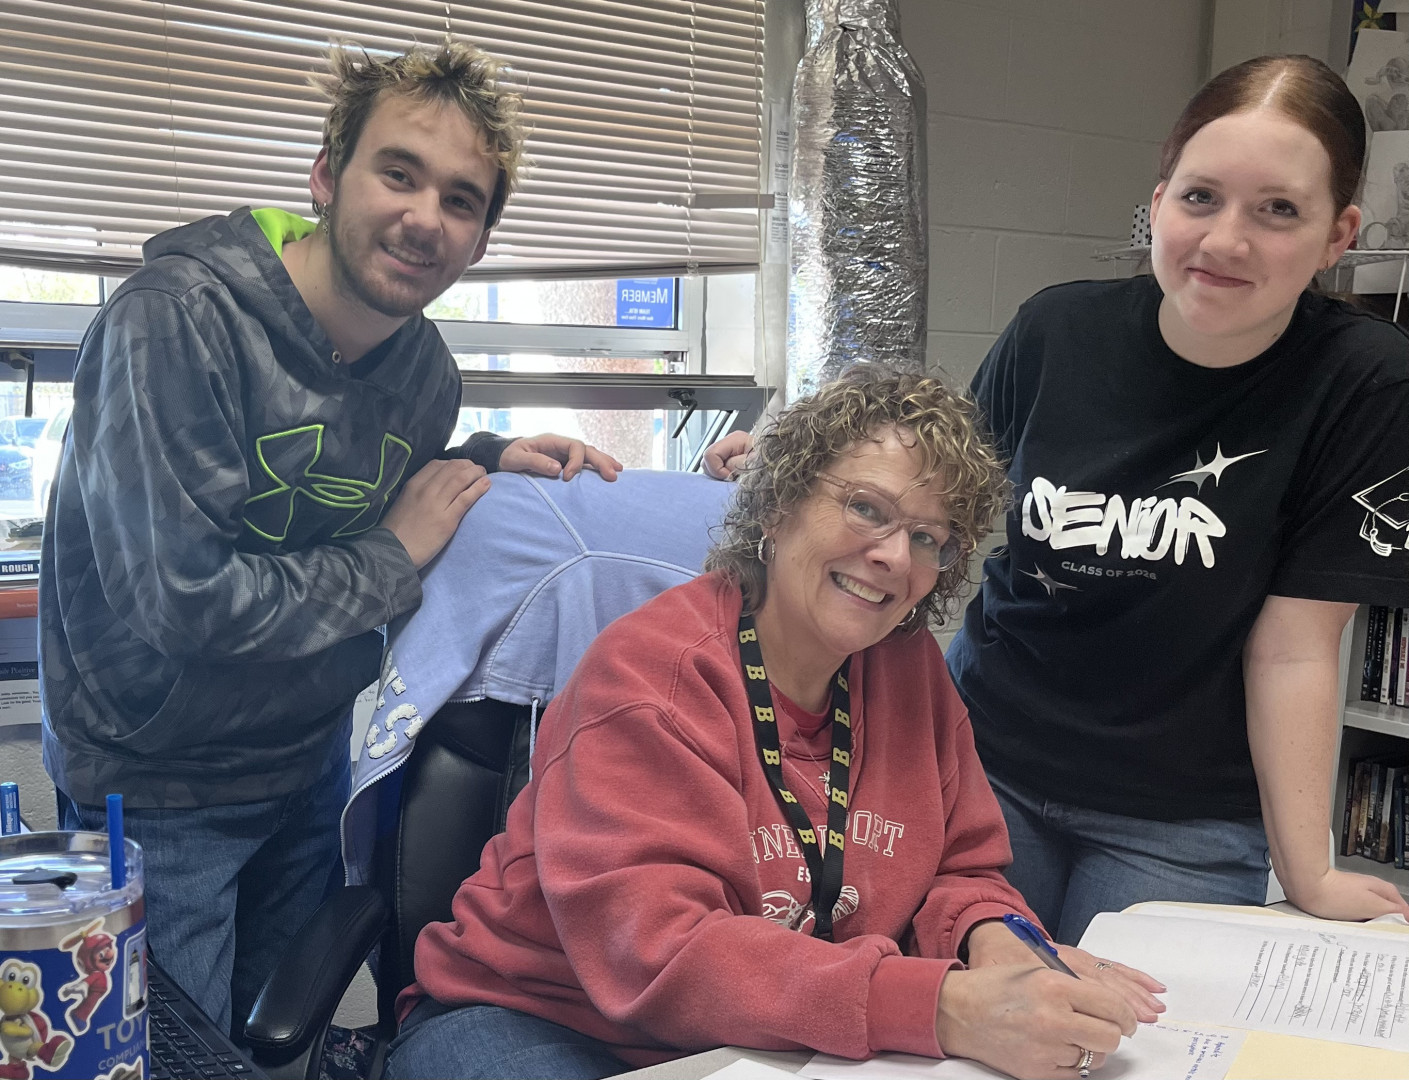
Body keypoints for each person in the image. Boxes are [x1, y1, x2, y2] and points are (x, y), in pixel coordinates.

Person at [706, 54, 1409, 945]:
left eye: (1278, 210)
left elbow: (1294, 648)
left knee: (1120, 1020)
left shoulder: (1365, 380)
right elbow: (933, 485)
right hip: (978, 760)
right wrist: (794, 462)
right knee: (947, 1002)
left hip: (1182, 815)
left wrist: (1308, 871)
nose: (1225, 241)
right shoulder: (1057, 330)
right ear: (1157, 201)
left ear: (1338, 235)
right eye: (1200, 197)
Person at [39, 39, 621, 1036]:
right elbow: (185, 601)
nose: (424, 217)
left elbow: (364, 484)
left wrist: (484, 456)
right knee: (174, 1056)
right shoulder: (175, 323)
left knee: (279, 1042)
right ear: (324, 176)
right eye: (398, 173)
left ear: (480, 240)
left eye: (460, 200)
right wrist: (392, 556)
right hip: (159, 782)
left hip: (306, 768)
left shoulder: (425, 371)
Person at [387, 368, 1164, 1080]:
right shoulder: (650, 674)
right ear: (780, 502)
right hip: (541, 1017)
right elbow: (661, 954)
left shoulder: (910, 669)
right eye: (866, 508)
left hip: (764, 1033)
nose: (895, 557)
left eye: (928, 538)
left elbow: (961, 870)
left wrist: (995, 944)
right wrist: (942, 1008)